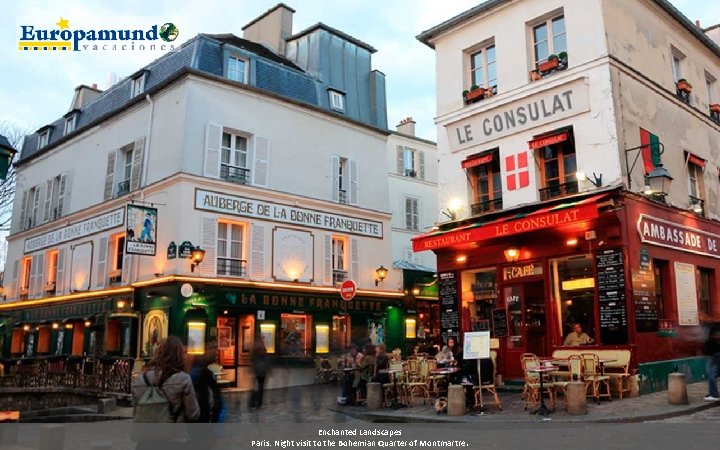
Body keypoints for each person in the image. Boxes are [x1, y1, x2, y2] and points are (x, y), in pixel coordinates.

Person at [131, 336, 200, 449]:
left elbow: (137, 412)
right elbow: (193, 414)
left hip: (146, 442)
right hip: (175, 439)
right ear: (179, 355)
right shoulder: (183, 379)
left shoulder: (139, 380)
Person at [189, 341, 223, 423]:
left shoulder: (203, 371)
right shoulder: (201, 372)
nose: (216, 354)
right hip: (201, 414)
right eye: (214, 352)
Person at [702, 317, 720, 401]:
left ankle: (714, 394)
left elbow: (711, 340)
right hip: (714, 353)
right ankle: (713, 392)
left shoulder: (714, 327)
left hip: (714, 353)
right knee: (712, 373)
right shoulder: (714, 326)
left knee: (711, 373)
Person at [251, 337, 269, 408]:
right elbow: (266, 360)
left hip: (259, 371)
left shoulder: (255, 350)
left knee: (258, 388)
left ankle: (255, 403)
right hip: (260, 371)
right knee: (259, 388)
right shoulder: (261, 351)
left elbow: (253, 360)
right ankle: (257, 403)